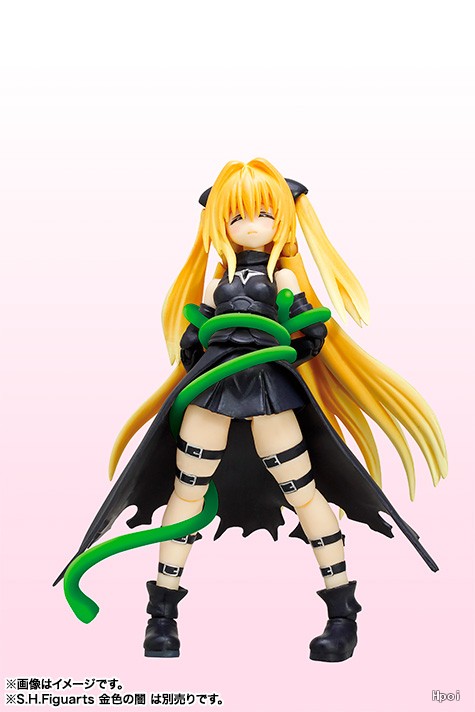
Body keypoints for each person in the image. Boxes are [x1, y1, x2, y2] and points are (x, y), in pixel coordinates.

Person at [57, 158, 447, 663]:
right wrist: (198, 347)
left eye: (263, 213)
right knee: (187, 492)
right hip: (213, 387)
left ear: (282, 217)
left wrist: (291, 347)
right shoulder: (214, 278)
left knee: (303, 492)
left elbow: (311, 330)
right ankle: (161, 617)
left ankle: (342, 613)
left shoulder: (282, 274)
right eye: (236, 215)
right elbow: (194, 333)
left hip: (267, 388)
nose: (249, 225)